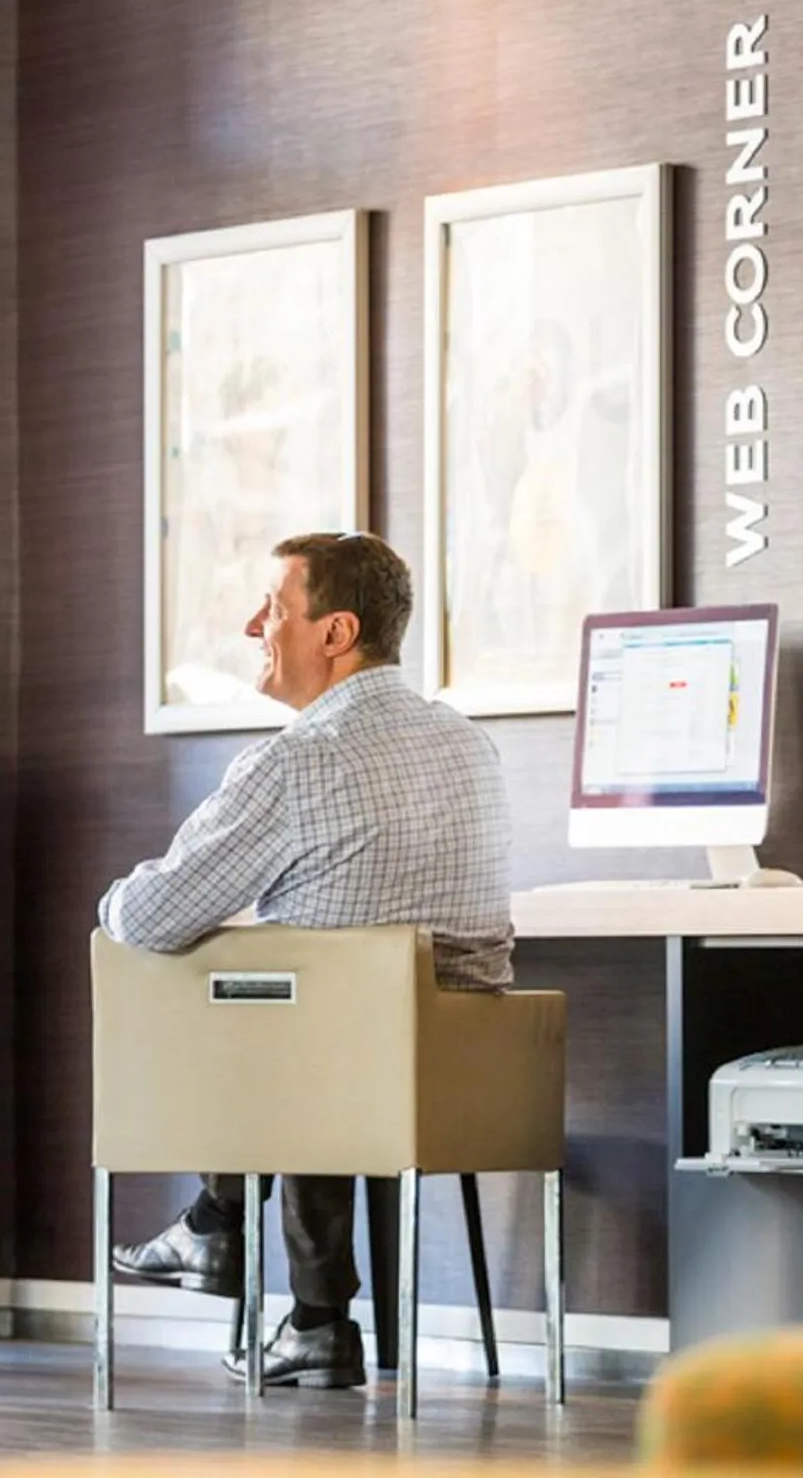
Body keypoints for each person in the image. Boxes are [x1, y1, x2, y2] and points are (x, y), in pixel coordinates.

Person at [100, 530, 512, 1390]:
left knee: (240, 983)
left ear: (336, 632)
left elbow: (148, 915)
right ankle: (310, 1316)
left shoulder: (296, 762)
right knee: (315, 999)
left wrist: (115, 897)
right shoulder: (473, 748)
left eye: (276, 609)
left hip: (334, 1075)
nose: (257, 626)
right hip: (470, 1073)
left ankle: (221, 1225)